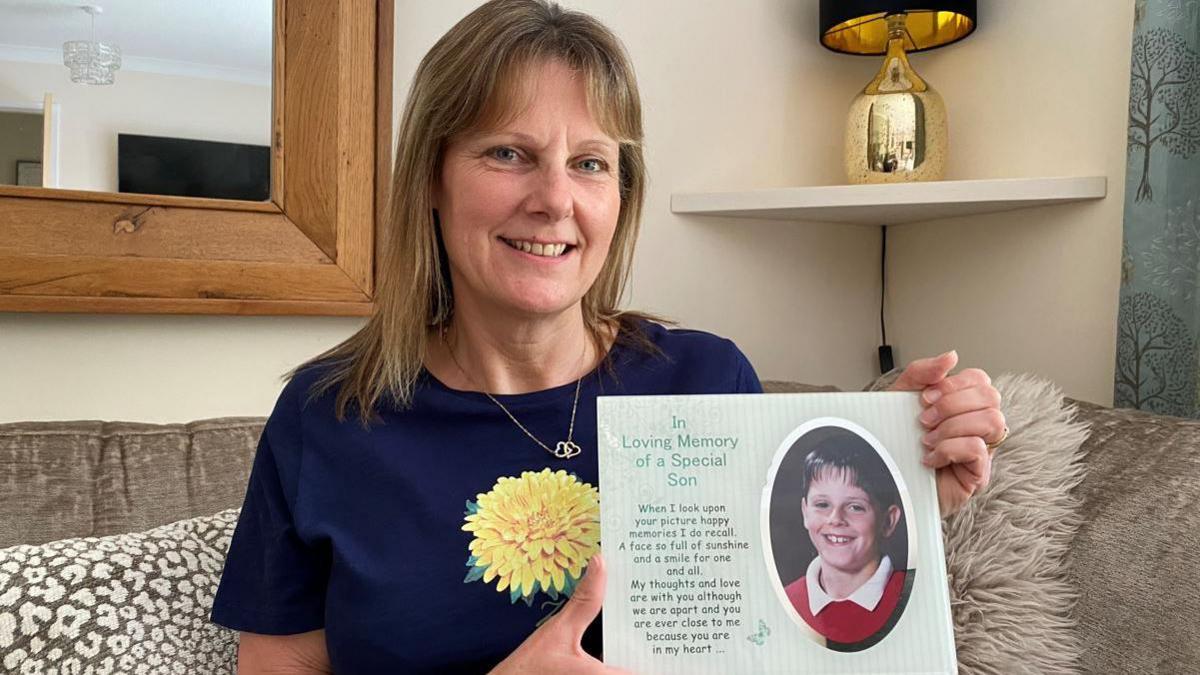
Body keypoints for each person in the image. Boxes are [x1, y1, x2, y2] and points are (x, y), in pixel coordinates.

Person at [209, 1, 1008, 673]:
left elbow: (788, 631)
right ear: (430, 178)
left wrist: (898, 468)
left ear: (621, 194)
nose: (555, 199)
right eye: (508, 153)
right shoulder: (327, 417)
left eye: (590, 163)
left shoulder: (707, 380)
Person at [784, 437, 908, 647]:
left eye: (855, 507)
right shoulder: (787, 601)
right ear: (805, 511)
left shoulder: (910, 594)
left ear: (888, 521)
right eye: (822, 504)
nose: (835, 519)